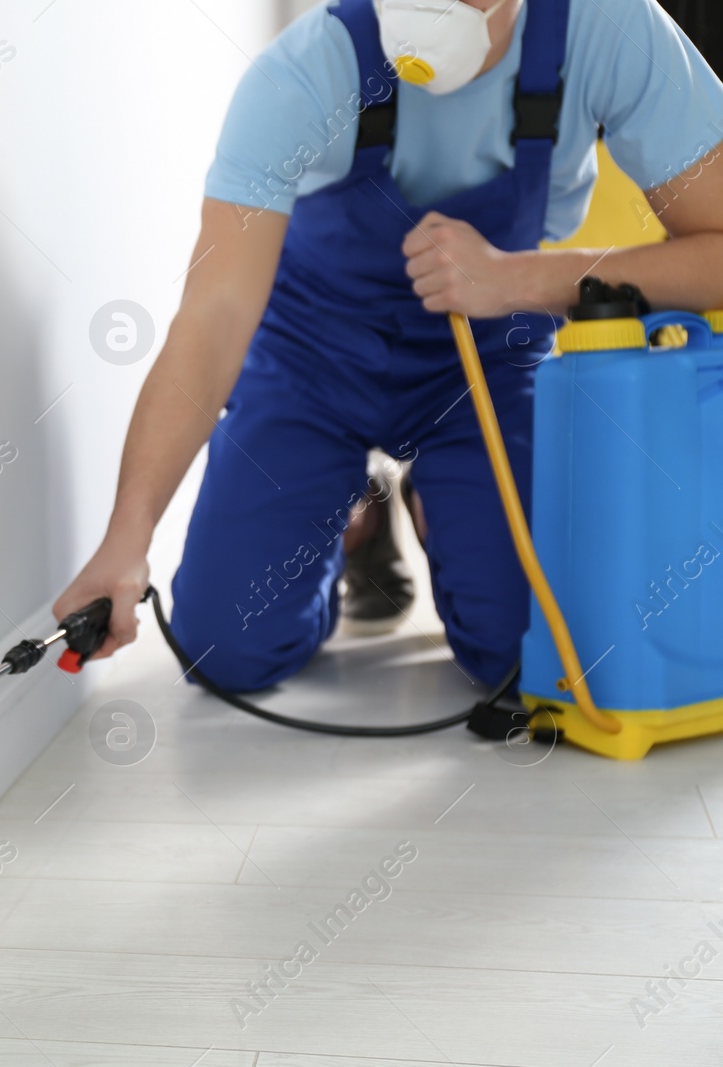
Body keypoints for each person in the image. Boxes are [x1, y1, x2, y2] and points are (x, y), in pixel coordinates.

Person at [55, 0, 723, 694]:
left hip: (487, 351)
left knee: (525, 654)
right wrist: (126, 538)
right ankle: (349, 517)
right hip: (312, 355)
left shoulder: (608, 31)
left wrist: (518, 278)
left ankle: (440, 503)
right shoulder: (309, 70)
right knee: (226, 649)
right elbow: (213, 315)